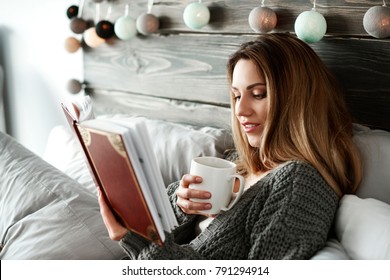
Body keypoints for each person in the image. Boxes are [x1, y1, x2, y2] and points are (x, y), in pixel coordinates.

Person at [98, 32, 363, 259]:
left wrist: (134, 239)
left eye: (258, 94)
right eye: (236, 96)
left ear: (297, 100)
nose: (240, 110)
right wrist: (182, 205)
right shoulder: (241, 165)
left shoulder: (300, 184)